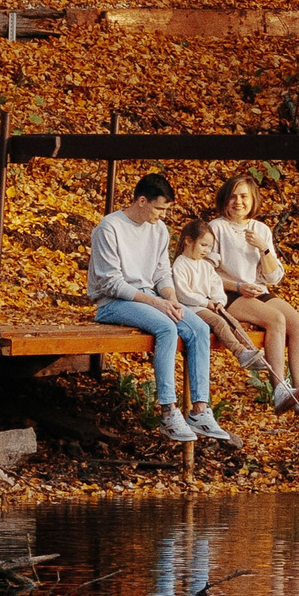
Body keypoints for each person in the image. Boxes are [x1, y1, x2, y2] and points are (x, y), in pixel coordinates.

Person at [87, 174, 233, 445]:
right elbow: (110, 283)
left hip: (150, 297)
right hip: (113, 303)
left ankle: (200, 411)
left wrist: (171, 299)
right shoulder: (110, 227)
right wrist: (157, 303)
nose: (163, 215)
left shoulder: (159, 230)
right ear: (142, 201)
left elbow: (162, 273)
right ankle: (168, 412)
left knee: (199, 328)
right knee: (166, 327)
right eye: (159, 208)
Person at [210, 173, 299, 414]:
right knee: (276, 319)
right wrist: (238, 286)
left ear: (253, 200)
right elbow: (205, 273)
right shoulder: (216, 228)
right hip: (227, 292)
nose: (238, 202)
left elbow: (273, 278)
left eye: (244, 196)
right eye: (233, 196)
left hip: (257, 290)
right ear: (225, 199)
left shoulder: (260, 229)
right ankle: (280, 390)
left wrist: (263, 248)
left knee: (298, 323)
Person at [174, 215, 279, 394]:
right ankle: (240, 352)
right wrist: (207, 302)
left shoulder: (205, 266)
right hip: (192, 308)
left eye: (209, 247)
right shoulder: (180, 264)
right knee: (219, 322)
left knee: (231, 320)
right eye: (203, 245)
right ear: (188, 241)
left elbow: (216, 285)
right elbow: (183, 293)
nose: (206, 250)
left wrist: (219, 301)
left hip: (208, 305)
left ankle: (251, 351)